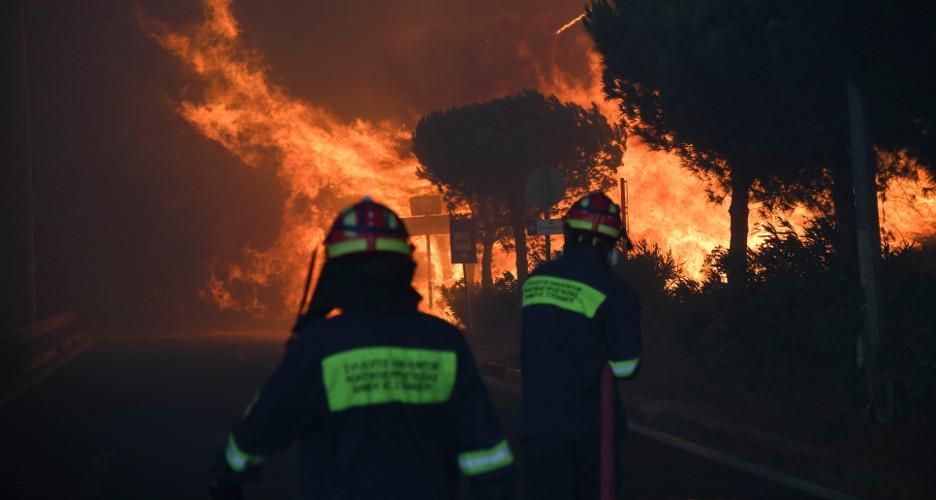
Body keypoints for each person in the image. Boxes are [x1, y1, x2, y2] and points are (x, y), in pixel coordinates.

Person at [210, 198, 514, 500]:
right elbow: (487, 452)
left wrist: (228, 472)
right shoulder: (445, 342)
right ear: (404, 267)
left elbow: (263, 427)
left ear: (337, 273)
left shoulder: (319, 345)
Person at [519, 191, 641, 500]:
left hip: (537, 423)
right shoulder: (616, 291)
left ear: (569, 233)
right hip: (590, 427)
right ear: (611, 243)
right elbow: (626, 367)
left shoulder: (536, 280)